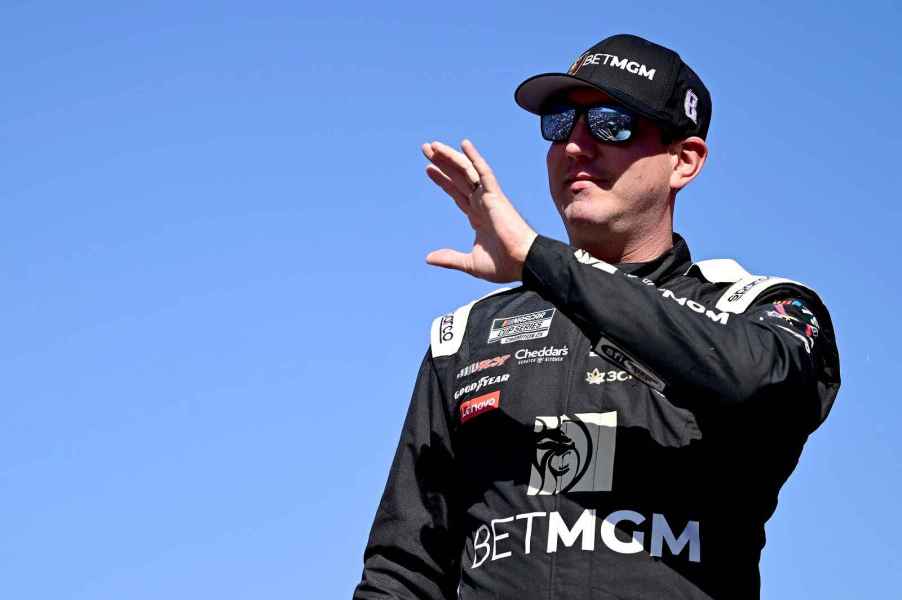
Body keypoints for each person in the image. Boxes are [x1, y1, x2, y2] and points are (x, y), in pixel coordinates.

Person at [352, 33, 841, 600]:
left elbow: (759, 382)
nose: (577, 146)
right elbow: (403, 569)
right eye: (560, 123)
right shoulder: (468, 336)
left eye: (612, 124)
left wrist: (540, 260)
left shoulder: (757, 306)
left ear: (684, 160)